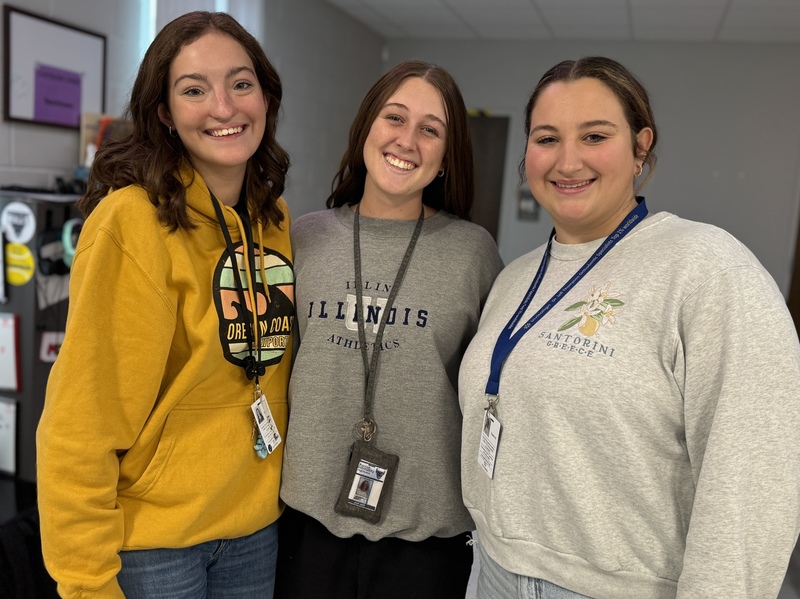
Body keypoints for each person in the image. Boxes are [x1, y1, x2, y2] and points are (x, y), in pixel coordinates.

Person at [459, 56, 800, 599]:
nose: (567, 160)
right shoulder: (515, 278)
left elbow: (752, 487)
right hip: (493, 569)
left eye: (594, 135)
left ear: (641, 147)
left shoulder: (708, 269)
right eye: (547, 138)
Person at [36, 11, 294, 599]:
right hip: (154, 546)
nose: (224, 107)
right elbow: (79, 425)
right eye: (194, 90)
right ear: (164, 113)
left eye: (241, 83)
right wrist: (86, 582)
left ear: (265, 96)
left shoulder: (273, 221)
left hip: (255, 531)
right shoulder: (131, 223)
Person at [275, 60, 503, 599]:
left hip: (425, 545)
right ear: (366, 131)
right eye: (394, 118)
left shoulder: (472, 254)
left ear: (448, 156)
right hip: (305, 529)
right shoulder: (303, 238)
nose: (408, 140)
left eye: (431, 130)